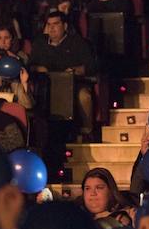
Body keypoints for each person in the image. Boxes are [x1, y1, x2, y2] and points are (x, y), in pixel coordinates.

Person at [28, 11, 98, 140]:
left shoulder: (77, 42)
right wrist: (39, 68)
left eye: (56, 24)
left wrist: (75, 70)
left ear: (65, 26)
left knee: (84, 96)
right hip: (46, 86)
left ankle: (87, 131)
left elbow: (91, 66)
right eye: (49, 24)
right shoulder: (40, 44)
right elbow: (30, 65)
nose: (52, 28)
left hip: (73, 85)